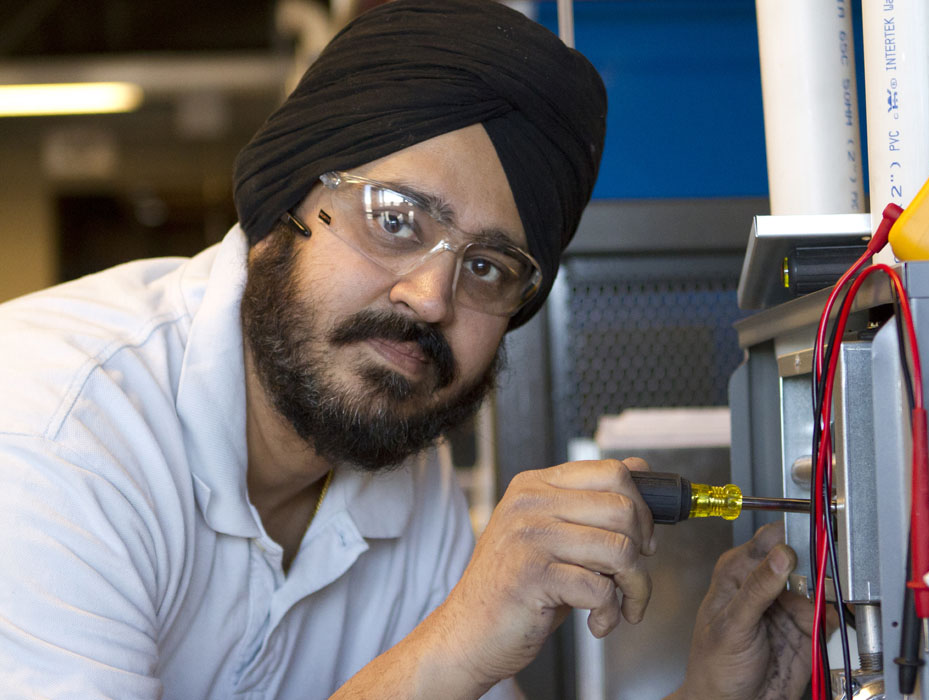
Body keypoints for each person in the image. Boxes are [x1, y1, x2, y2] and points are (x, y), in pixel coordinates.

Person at [0, 1, 813, 697]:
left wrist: (708, 690)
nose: (430, 298)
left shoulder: (398, 477)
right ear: (287, 202)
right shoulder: (53, 432)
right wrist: (456, 640)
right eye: (395, 220)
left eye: (488, 267)